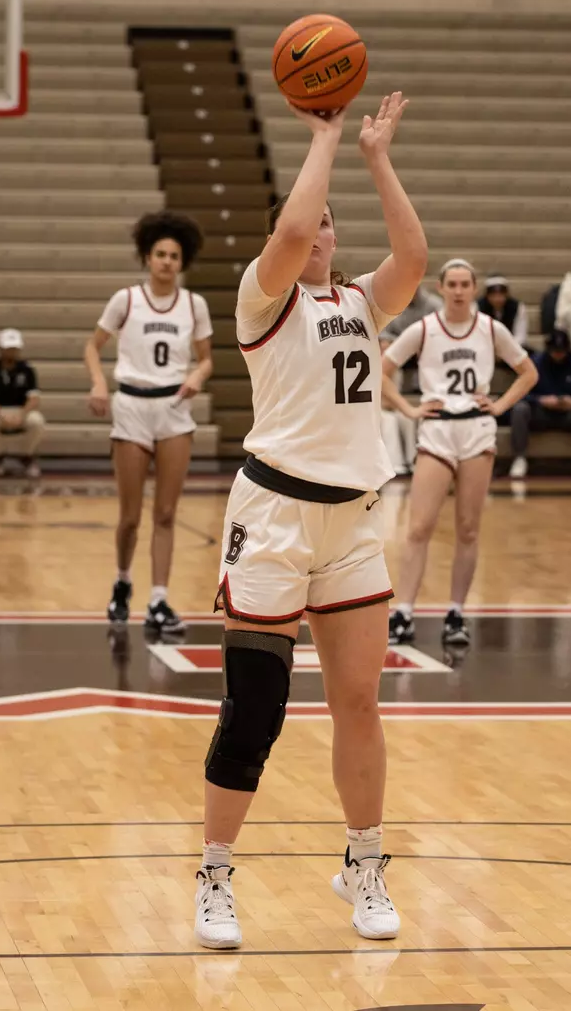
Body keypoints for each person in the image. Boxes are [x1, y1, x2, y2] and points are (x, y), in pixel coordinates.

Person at [195, 92, 428, 950]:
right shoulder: (263, 302)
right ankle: (216, 873)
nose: (319, 230)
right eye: (309, 218)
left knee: (359, 701)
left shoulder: (365, 302)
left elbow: (413, 253)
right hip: (273, 518)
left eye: (330, 222)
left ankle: (362, 865)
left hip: (351, 524)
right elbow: (288, 238)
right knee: (254, 708)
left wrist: (374, 156)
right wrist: (324, 135)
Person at [384, 260, 537, 653]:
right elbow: (380, 369)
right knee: (419, 527)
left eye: (464, 284)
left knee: (468, 529)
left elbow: (528, 373)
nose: (457, 290)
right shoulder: (425, 328)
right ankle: (403, 610)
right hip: (436, 430)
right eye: (451, 284)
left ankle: (455, 611)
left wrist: (500, 406)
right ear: (441, 287)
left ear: (474, 288)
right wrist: (409, 408)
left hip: (477, 430)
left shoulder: (490, 328)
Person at [84, 211, 213, 636]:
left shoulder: (194, 305)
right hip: (132, 407)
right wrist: (99, 383)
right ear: (147, 257)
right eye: (160, 254)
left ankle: (159, 599)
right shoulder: (126, 300)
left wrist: (198, 374)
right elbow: (92, 345)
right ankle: (122, 581)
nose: (166, 262)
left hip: (174, 409)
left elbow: (207, 357)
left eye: (174, 256)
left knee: (167, 512)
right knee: (129, 517)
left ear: (183, 260)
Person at [509, 329, 571, 480]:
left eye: (561, 351)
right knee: (519, 408)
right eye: (555, 351)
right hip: (542, 413)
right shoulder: (535, 364)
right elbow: (519, 393)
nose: (558, 355)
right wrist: (540, 400)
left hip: (570, 414)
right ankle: (519, 458)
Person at [379, 288, 441, 475]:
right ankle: (395, 464)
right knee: (391, 420)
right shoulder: (389, 302)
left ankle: (412, 462)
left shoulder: (433, 305)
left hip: (424, 349)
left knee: (405, 418)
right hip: (374, 408)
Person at [0, 329, 45, 478]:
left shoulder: (27, 369)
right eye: (8, 349)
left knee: (37, 421)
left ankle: (26, 456)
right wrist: (0, 414)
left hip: (20, 409)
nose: (11, 352)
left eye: (14, 349)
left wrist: (22, 414)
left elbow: (33, 397)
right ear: (0, 349)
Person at [477, 273, 528, 348]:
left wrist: (505, 350)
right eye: (493, 295)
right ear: (487, 296)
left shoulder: (517, 307)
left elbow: (520, 336)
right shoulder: (478, 307)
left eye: (501, 295)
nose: (497, 299)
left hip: (512, 349)